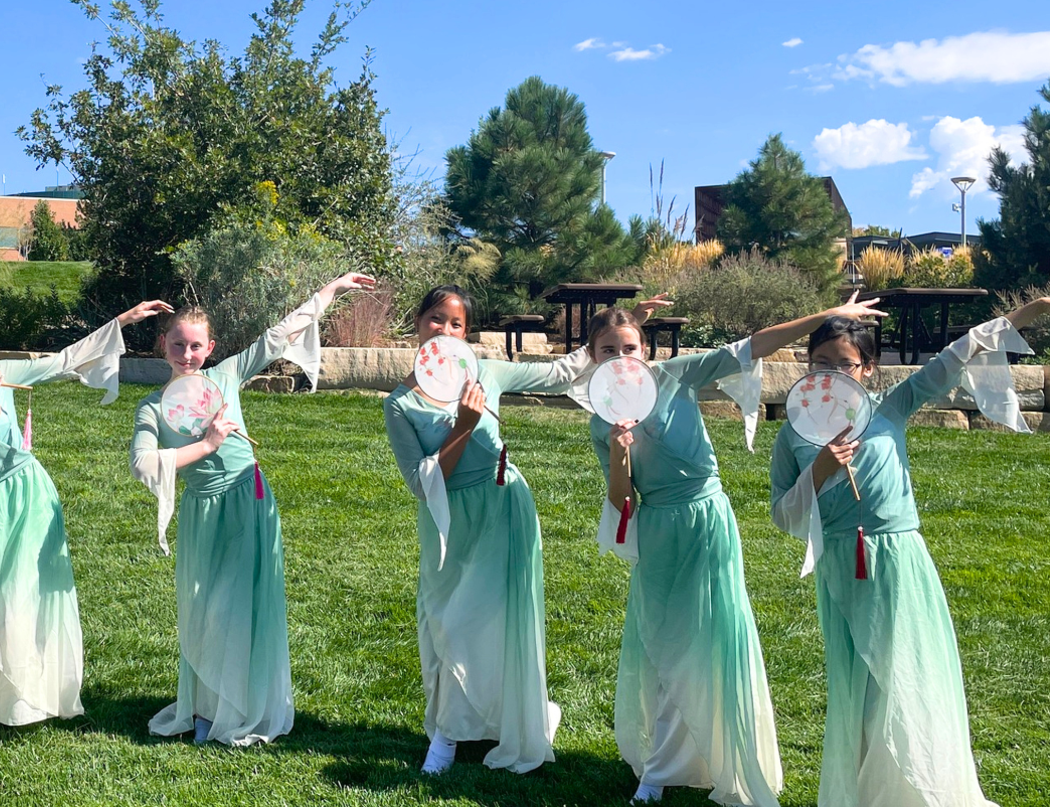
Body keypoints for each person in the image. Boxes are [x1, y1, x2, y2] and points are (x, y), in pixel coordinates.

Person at [580, 294, 885, 805]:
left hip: (706, 520)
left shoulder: (676, 377)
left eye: (628, 346)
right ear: (593, 358)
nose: (619, 357)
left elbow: (753, 346)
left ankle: (665, 772)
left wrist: (832, 314)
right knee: (661, 640)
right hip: (656, 527)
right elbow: (622, 501)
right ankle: (673, 758)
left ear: (645, 349)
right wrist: (617, 452)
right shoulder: (599, 420)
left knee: (708, 635)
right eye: (607, 350)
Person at [768, 298, 1048, 807]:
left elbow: (951, 359)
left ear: (868, 368)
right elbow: (783, 514)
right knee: (858, 685)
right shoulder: (795, 432)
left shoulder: (889, 408)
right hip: (839, 565)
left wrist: (1025, 313)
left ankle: (917, 788)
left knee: (905, 675)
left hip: (897, 561)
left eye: (844, 363)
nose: (831, 373)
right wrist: (822, 470)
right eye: (820, 364)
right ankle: (864, 789)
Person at [382, 287, 662, 773]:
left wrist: (622, 327)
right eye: (435, 319)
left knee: (502, 621)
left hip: (504, 507)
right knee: (448, 622)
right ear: (417, 323)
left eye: (455, 324)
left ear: (465, 333)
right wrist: (463, 425)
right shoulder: (400, 403)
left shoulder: (485, 371)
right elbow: (422, 484)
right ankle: (448, 730)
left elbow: (560, 372)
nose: (444, 331)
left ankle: (505, 724)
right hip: (448, 521)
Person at [0, 297, 170, 746]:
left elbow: (63, 361)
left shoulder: (1, 374)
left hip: (28, 498)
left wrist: (121, 319)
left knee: (17, 603)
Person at [129, 273, 375, 747]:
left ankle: (240, 704)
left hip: (249, 500)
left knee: (244, 603)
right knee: (205, 608)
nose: (186, 355)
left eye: (195, 346)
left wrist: (331, 291)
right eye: (178, 345)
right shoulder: (152, 407)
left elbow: (280, 334)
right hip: (203, 510)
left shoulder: (225, 376)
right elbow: (143, 465)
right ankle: (204, 709)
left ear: (210, 347)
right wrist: (207, 444)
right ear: (163, 345)